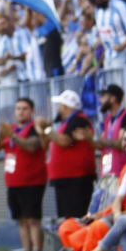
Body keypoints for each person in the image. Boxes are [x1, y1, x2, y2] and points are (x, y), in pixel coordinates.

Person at [0, 98, 47, 251]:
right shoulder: (14, 129)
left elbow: (32, 146)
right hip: (14, 182)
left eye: (25, 108)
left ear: (32, 111)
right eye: (18, 108)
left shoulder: (34, 128)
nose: (21, 112)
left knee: (33, 220)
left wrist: (12, 136)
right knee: (22, 221)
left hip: (32, 181)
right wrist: (2, 136)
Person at [38, 90, 97, 219]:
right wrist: (44, 132)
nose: (58, 109)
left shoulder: (78, 120)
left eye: (59, 106)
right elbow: (47, 145)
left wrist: (47, 129)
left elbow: (65, 141)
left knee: (75, 218)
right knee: (67, 218)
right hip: (67, 180)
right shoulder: (67, 123)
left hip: (75, 180)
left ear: (65, 107)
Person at [92, 84, 126, 179]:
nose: (100, 100)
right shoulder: (108, 119)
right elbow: (102, 145)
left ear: (113, 98)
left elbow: (121, 144)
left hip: (122, 172)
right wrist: (88, 138)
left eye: (103, 97)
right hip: (107, 172)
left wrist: (96, 139)